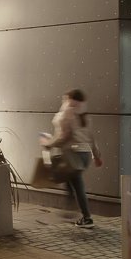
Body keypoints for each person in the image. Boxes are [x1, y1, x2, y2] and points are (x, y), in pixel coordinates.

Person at [41, 89, 102, 228]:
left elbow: (64, 137)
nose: (64, 101)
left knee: (76, 184)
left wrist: (49, 144)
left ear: (69, 99)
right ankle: (71, 208)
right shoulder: (85, 115)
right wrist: (96, 156)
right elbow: (91, 138)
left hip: (73, 154)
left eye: (65, 98)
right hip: (84, 154)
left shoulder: (68, 113)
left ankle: (85, 217)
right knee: (71, 179)